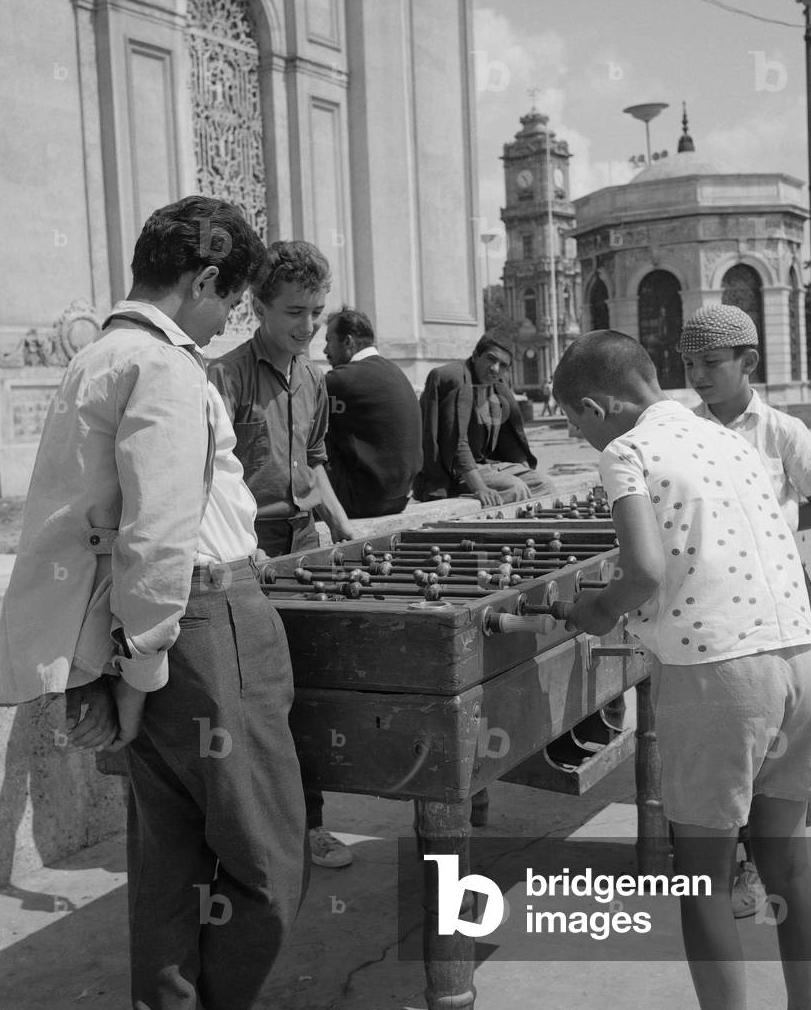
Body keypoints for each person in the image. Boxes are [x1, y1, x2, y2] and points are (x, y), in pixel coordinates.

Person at [0, 196, 307, 1010]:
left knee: (170, 863)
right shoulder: (163, 366)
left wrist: (120, 662)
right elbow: (158, 536)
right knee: (268, 858)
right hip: (202, 626)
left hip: (157, 629)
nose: (231, 316)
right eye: (230, 299)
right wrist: (141, 669)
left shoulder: (100, 356)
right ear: (202, 279)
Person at [554, 330, 811, 1010]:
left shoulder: (629, 450)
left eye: (573, 423)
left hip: (719, 677)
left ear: (595, 406)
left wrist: (593, 610)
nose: (580, 437)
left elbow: (644, 571)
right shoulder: (732, 441)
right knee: (789, 868)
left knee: (703, 880)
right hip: (798, 661)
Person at [680, 303, 811, 918]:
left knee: (780, 732)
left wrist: (770, 531)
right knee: (727, 734)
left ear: (748, 362)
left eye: (711, 364)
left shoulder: (781, 431)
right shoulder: (686, 429)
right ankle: (734, 860)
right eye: (689, 363)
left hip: (780, 596)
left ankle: (766, 859)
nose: (698, 375)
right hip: (714, 603)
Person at [208, 240, 355, 870]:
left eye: (317, 314)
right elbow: (207, 483)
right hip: (244, 553)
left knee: (306, 687)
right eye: (295, 312)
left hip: (300, 544)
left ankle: (309, 823)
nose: (308, 326)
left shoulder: (314, 379)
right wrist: (244, 556)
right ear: (258, 308)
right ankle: (250, 836)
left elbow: (316, 467)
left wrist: (344, 535)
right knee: (251, 699)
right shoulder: (223, 377)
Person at [414, 331, 553, 506]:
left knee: (544, 484)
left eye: (503, 365)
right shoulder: (454, 379)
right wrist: (480, 488)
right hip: (451, 472)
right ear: (475, 355)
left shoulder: (496, 387)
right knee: (514, 489)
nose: (495, 369)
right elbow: (456, 442)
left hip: (485, 465)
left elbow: (506, 437)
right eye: (491, 359)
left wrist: (521, 468)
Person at [322, 306, 423, 517]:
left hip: (362, 501)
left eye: (328, 341)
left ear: (348, 342)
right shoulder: (394, 371)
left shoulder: (341, 379)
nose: (325, 351)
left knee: (304, 427)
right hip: (400, 499)